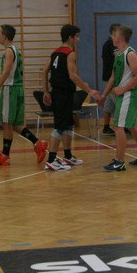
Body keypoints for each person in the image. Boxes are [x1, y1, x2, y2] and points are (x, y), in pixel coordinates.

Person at [41, 24, 102, 172]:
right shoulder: (70, 53)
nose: (78, 39)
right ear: (70, 37)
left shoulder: (55, 52)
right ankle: (51, 160)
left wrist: (46, 92)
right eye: (77, 36)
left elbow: (44, 71)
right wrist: (89, 90)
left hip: (59, 93)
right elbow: (73, 76)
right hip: (63, 94)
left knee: (68, 125)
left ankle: (67, 156)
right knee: (59, 126)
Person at [0, 24, 48, 166]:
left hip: (10, 90)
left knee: (6, 123)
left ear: (4, 36)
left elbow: (6, 73)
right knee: (15, 124)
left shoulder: (8, 51)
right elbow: (7, 73)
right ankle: (38, 143)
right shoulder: (16, 50)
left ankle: (5, 156)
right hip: (18, 89)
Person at [100, 25, 137, 171]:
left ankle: (119, 161)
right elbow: (113, 77)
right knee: (133, 126)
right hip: (123, 95)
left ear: (121, 38)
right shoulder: (119, 54)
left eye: (114, 34)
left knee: (118, 127)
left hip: (128, 94)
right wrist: (103, 95)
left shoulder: (130, 54)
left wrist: (123, 88)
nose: (112, 37)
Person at [100, 23, 120, 136]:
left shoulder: (107, 43)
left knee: (109, 105)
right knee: (119, 103)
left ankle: (106, 127)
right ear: (113, 32)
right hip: (113, 78)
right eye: (118, 31)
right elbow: (118, 55)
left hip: (109, 76)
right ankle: (122, 127)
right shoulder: (111, 43)